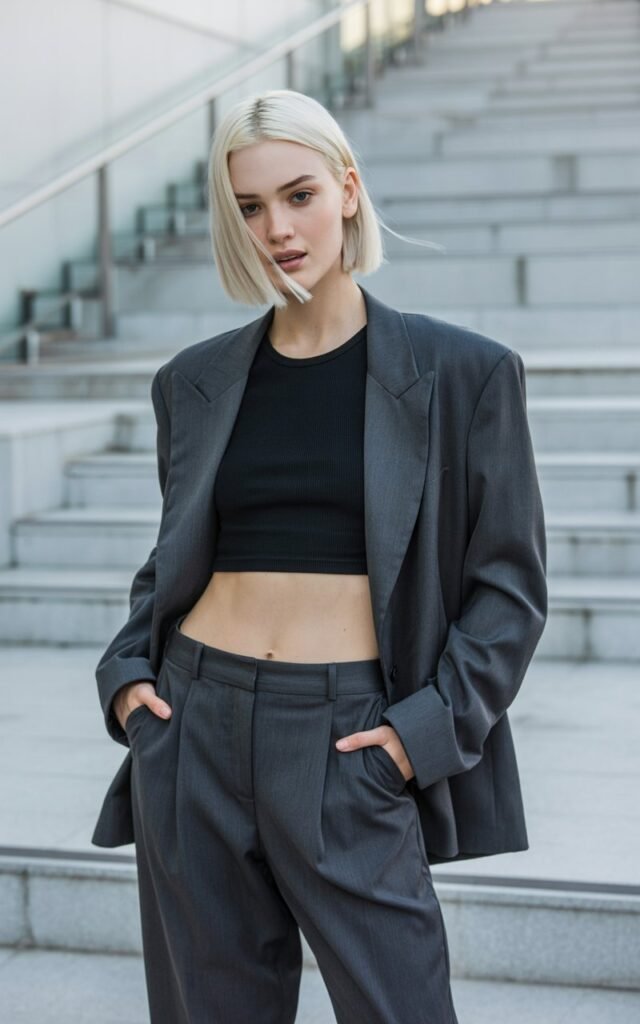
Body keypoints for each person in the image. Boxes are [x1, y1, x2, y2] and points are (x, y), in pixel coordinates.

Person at [92, 88, 547, 1024]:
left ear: (347, 189)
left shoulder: (466, 374)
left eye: (298, 195)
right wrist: (130, 678)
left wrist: (418, 740)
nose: (278, 229)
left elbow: (507, 591)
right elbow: (174, 555)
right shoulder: (194, 381)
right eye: (250, 208)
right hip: (192, 727)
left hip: (350, 738)